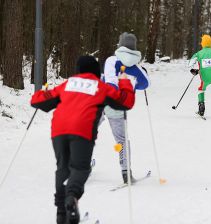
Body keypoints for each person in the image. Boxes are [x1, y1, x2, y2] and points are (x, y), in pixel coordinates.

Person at [30, 56, 135, 224]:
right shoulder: (100, 86)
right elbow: (125, 102)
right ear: (96, 71)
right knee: (80, 168)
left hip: (58, 130)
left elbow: (38, 101)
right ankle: (72, 197)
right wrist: (124, 82)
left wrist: (43, 92)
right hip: (82, 129)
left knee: (63, 168)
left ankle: (62, 214)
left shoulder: (68, 84)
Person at [102, 32, 150, 184]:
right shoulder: (136, 68)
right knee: (122, 140)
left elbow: (109, 81)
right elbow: (145, 83)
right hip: (118, 108)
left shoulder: (112, 60)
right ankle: (126, 173)